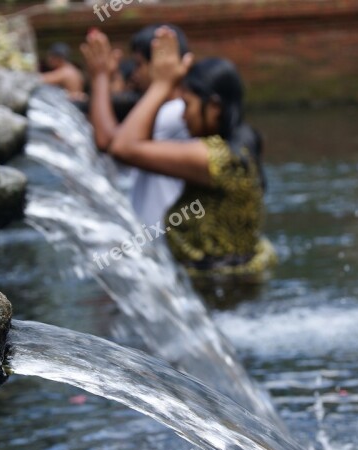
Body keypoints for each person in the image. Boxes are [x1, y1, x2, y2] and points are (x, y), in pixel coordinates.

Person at [109, 27, 276, 276]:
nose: (183, 115)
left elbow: (122, 148)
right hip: (227, 287)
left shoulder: (213, 158)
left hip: (217, 292)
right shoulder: (239, 144)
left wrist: (161, 84)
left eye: (187, 105)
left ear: (215, 107)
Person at [81, 25, 189, 227]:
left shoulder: (175, 113)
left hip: (166, 240)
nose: (134, 74)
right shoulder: (161, 110)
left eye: (139, 65)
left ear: (159, 65)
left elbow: (109, 141)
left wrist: (100, 76)